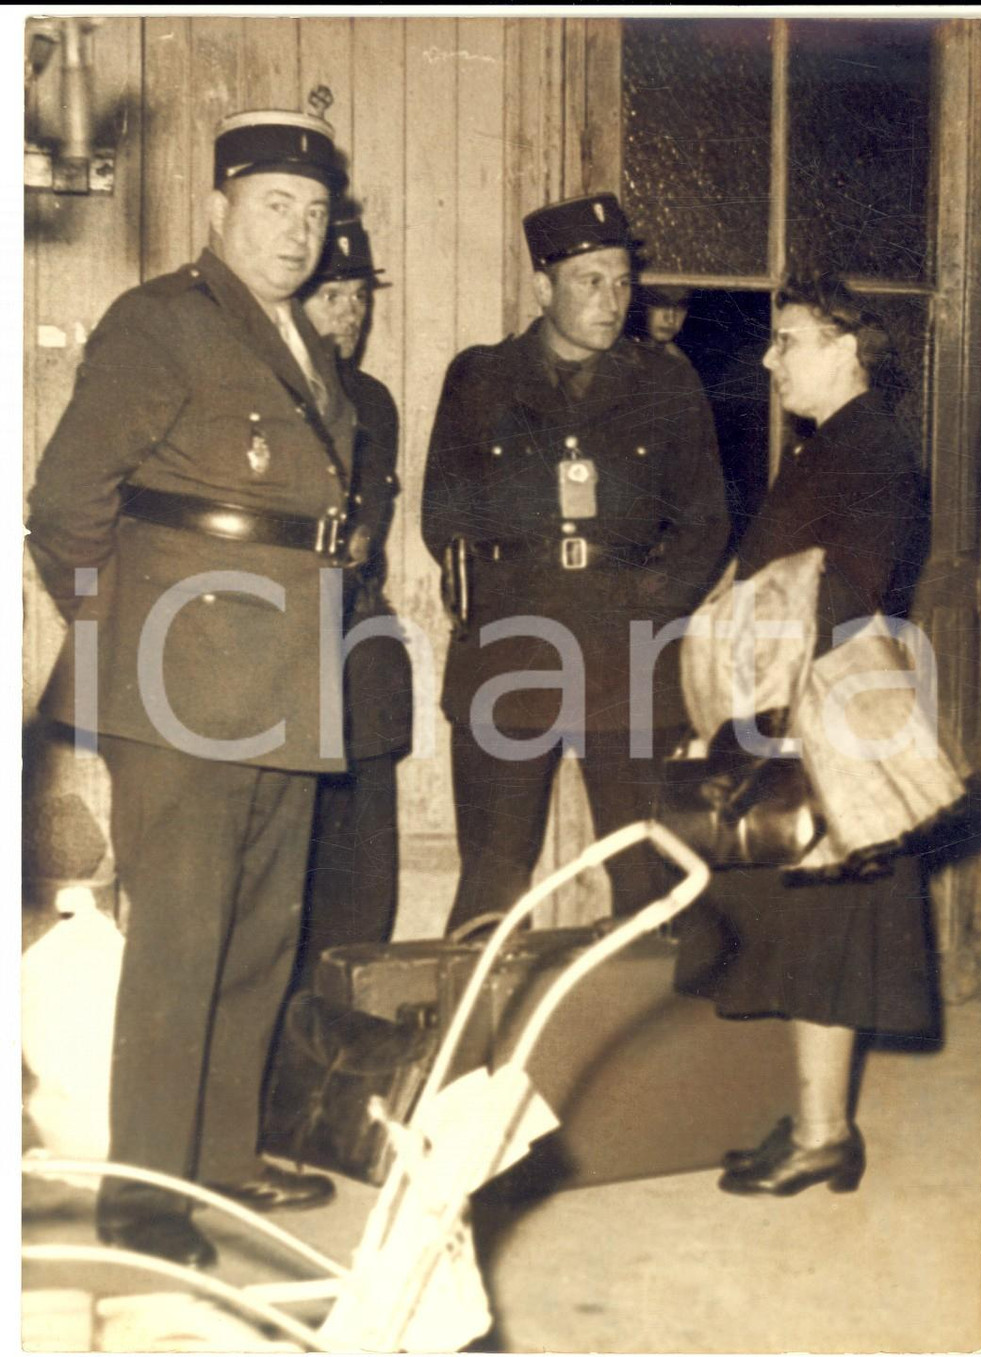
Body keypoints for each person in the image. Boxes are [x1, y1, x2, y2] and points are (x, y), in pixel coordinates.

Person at [27, 110, 360, 1269]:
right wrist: (121, 640)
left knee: (260, 935)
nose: (299, 230)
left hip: (289, 673)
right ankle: (144, 1200)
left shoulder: (302, 340)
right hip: (183, 677)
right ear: (219, 207)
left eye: (316, 213)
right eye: (276, 204)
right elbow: (66, 499)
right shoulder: (162, 320)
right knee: (178, 941)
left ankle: (222, 1155)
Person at [674, 275, 966, 1197]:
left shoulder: (870, 446)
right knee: (808, 927)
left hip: (830, 718)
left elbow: (838, 590)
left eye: (788, 339)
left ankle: (824, 1135)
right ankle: (815, 1123)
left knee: (832, 927)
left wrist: (745, 710)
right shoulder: (827, 446)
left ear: (845, 346)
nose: (770, 358)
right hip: (797, 706)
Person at [421, 193, 730, 933]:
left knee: (648, 877)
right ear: (543, 286)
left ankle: (650, 1042)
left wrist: (651, 602)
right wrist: (500, 598)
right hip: (511, 650)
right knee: (492, 877)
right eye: (590, 279)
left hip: (629, 651)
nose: (612, 299)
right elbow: (445, 514)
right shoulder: (481, 378)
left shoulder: (666, 383)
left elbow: (705, 522)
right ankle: (480, 1040)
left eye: (622, 280)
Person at [297, 218, 411, 972]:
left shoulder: (374, 402)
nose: (350, 313)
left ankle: (349, 1031)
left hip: (358, 653)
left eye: (359, 296)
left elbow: (366, 535)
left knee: (367, 873)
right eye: (331, 295)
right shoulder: (264, 390)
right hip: (282, 654)